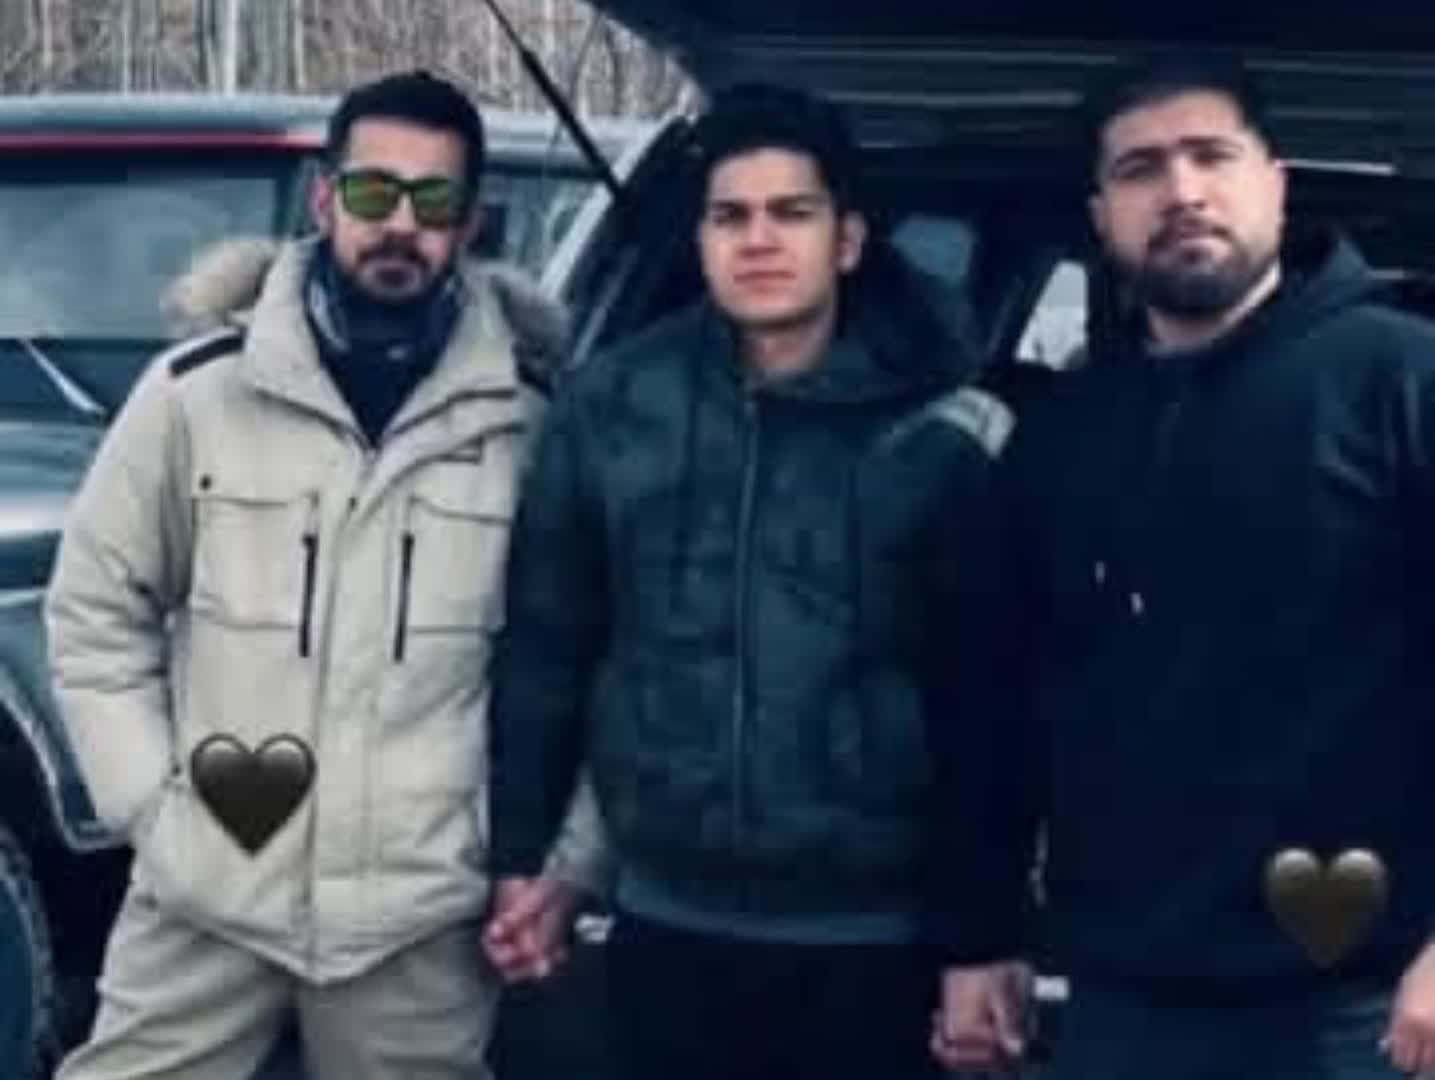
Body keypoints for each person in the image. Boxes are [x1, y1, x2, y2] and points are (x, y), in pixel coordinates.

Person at [44, 69, 601, 1080]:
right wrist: (155, 815)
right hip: (207, 892)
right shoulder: (197, 395)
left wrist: (556, 859)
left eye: (433, 200)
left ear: (470, 221)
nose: (400, 224)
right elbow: (94, 611)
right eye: (373, 191)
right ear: (324, 199)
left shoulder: (527, 423)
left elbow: (588, 657)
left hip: (415, 924)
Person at [482, 81, 1011, 1080]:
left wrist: (979, 937)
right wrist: (526, 862)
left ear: (846, 240)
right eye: (730, 216)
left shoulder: (943, 428)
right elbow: (549, 649)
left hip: (873, 939)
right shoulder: (611, 408)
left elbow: (987, 706)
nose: (758, 240)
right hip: (664, 918)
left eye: (790, 213)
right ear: (700, 239)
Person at [932, 53, 1435, 1080]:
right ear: (1101, 214)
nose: (1181, 191)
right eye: (1140, 169)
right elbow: (994, 709)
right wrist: (979, 936)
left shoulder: (1402, 383)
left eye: (1211, 156)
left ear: (1275, 183)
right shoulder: (1061, 437)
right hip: (1121, 1002)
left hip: (1366, 1008)